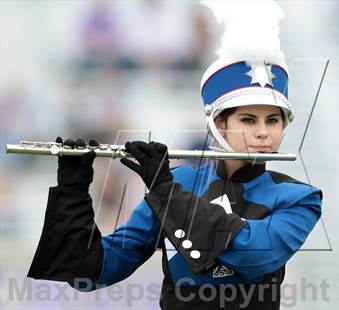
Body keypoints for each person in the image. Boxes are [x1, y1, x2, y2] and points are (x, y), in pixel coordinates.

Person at [27, 2, 323, 309]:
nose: (264, 132)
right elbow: (91, 271)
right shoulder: (180, 182)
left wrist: (166, 193)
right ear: (220, 124)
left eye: (273, 121)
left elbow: (251, 254)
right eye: (249, 120)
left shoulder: (298, 198)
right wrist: (73, 188)